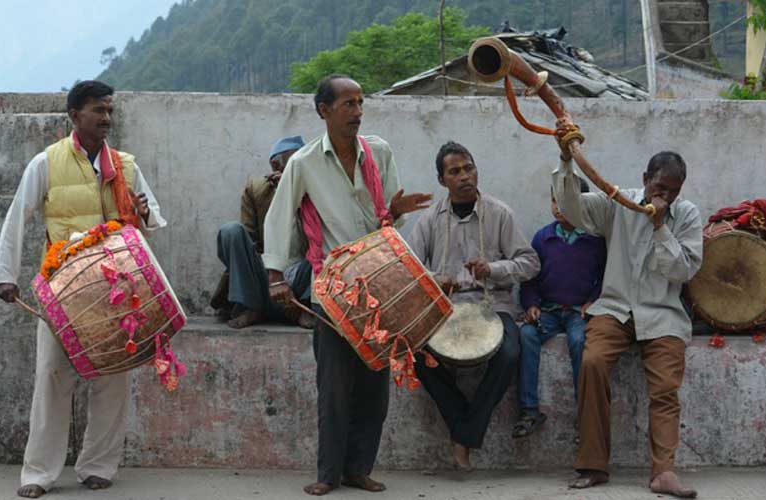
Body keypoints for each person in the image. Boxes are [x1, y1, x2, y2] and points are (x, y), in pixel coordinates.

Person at [0, 80, 167, 498]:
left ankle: (99, 466)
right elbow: (19, 216)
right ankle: (37, 474)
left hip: (118, 288)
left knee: (114, 376)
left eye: (109, 110)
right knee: (52, 375)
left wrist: (143, 213)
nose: (106, 118)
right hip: (62, 288)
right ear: (74, 115)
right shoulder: (46, 163)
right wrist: (5, 274)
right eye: (97, 111)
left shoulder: (125, 164)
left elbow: (153, 216)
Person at [262, 74, 432, 496]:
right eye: (348, 104)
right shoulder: (303, 163)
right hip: (333, 286)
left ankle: (359, 468)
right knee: (334, 383)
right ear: (323, 110)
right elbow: (279, 218)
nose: (357, 112)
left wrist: (395, 209)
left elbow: (389, 217)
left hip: (380, 280)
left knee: (375, 381)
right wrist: (275, 277)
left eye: (360, 103)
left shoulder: (379, 151)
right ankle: (328, 473)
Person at [551, 123, 703, 498]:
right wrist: (566, 160)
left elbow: (684, 269)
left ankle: (663, 472)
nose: (663, 196)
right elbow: (570, 208)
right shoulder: (616, 202)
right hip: (615, 308)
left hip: (663, 313)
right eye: (658, 187)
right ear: (644, 179)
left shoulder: (685, 216)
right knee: (592, 363)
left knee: (665, 387)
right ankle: (593, 465)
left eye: (672, 190)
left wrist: (660, 228)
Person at [405, 141, 538, 471]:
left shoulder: (500, 214)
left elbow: (530, 262)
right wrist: (436, 280)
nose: (465, 176)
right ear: (442, 180)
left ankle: (463, 433)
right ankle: (466, 425)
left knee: (509, 351)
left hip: (494, 305)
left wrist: (493, 269)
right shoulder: (429, 220)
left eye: (469, 168)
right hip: (445, 308)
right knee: (417, 355)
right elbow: (409, 268)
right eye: (455, 171)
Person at [513, 179, 606, 438]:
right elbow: (529, 279)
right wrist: (531, 305)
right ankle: (529, 410)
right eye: (555, 200)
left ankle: (584, 414)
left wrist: (592, 302)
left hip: (579, 312)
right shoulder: (543, 238)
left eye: (567, 202)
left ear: (583, 205)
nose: (558, 207)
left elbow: (605, 278)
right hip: (549, 311)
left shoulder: (595, 240)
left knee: (579, 342)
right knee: (527, 336)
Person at [210, 135, 314, 329]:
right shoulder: (258, 189)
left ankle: (302, 309)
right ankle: (250, 306)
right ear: (276, 165)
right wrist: (281, 195)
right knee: (231, 231)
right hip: (263, 278)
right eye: (295, 165)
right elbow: (247, 241)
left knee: (333, 244)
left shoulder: (314, 190)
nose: (301, 170)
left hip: (301, 278)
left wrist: (301, 198)